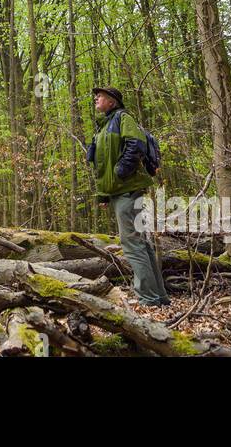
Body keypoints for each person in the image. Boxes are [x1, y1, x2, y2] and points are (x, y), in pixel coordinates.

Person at [85, 86, 169, 308]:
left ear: (112, 101)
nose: (96, 98)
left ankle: (148, 299)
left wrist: (122, 171)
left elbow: (136, 143)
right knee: (140, 243)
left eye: (100, 96)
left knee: (132, 244)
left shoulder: (123, 118)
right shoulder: (102, 128)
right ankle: (158, 297)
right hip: (118, 193)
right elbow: (102, 165)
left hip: (128, 191)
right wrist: (104, 195)